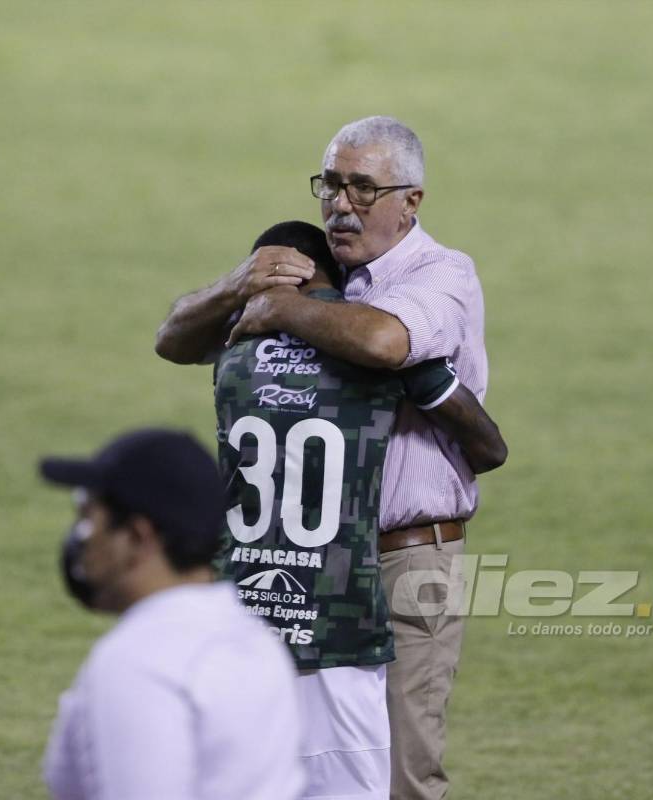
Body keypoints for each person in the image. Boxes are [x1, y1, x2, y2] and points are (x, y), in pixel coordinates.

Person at [157, 116, 494, 800]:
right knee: (280, 768)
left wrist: (280, 308)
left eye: (363, 189)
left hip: (404, 561)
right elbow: (174, 341)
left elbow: (384, 343)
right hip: (301, 563)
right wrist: (237, 285)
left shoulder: (442, 275)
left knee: (401, 775)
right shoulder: (313, 270)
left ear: (411, 201)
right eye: (332, 185)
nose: (341, 204)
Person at [215, 220, 503, 800]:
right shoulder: (373, 350)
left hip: (285, 578)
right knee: (393, 774)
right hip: (345, 582)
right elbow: (489, 447)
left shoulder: (234, 357)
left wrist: (266, 308)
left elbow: (171, 340)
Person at [39, 428, 304, 800]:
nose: (82, 538)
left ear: (137, 536)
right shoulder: (256, 640)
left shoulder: (142, 661)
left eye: (89, 517)